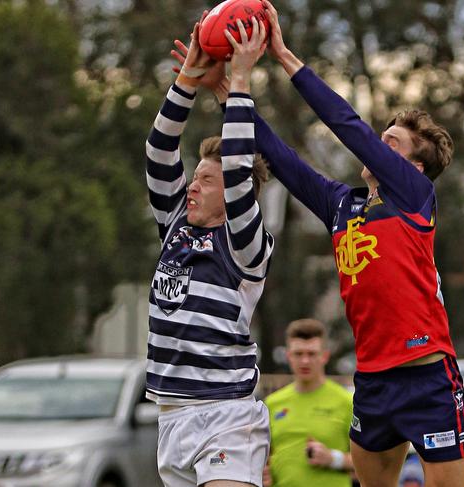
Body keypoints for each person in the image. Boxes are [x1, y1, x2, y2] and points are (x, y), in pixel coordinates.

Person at [171, 2, 464, 486]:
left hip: (427, 375)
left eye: (391, 143)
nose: (379, 143)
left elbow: (346, 125)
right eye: (385, 136)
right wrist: (228, 93)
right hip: (374, 379)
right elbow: (282, 160)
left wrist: (284, 56)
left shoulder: (416, 197)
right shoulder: (342, 206)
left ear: (414, 167)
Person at [145, 15, 273, 487]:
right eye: (195, 176)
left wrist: (239, 80)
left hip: (226, 416)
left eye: (205, 180)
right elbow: (159, 152)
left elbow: (240, 171)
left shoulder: (245, 246)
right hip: (170, 416)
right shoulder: (175, 224)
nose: (192, 187)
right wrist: (186, 81)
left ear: (233, 197)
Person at [263, 318, 354, 487]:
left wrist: (334, 459)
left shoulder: (347, 401)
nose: (305, 361)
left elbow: (371, 462)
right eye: (298, 354)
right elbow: (264, 460)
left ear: (324, 356)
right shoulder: (272, 403)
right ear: (289, 356)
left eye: (311, 354)